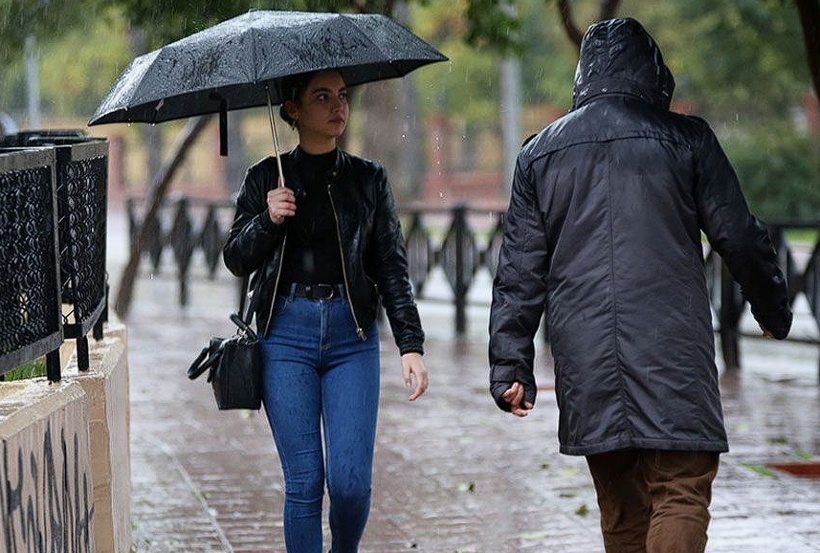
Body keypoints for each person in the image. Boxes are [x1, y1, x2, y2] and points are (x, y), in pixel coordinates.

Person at [488, 17, 792, 553]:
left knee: (623, 505)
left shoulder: (539, 154)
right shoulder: (686, 139)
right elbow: (740, 236)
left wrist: (510, 365)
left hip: (585, 355)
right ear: (653, 74)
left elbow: (518, 270)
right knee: (681, 486)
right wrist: (771, 308)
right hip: (670, 346)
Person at [223, 69, 428, 553]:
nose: (338, 106)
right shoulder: (264, 178)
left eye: (341, 95)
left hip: (350, 337)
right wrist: (268, 219)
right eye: (321, 97)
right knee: (305, 482)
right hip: (284, 336)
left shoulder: (368, 179)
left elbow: (391, 266)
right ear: (292, 110)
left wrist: (410, 344)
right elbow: (235, 259)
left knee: (351, 484)